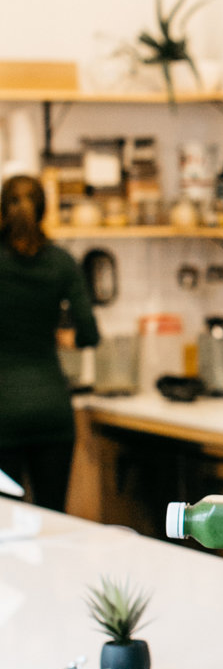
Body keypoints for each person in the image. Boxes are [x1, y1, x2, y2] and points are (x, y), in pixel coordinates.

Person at [0, 173, 100, 511]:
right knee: (52, 520)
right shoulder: (61, 262)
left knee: (4, 529)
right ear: (44, 211)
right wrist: (58, 335)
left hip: (4, 413)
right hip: (52, 410)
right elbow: (89, 332)